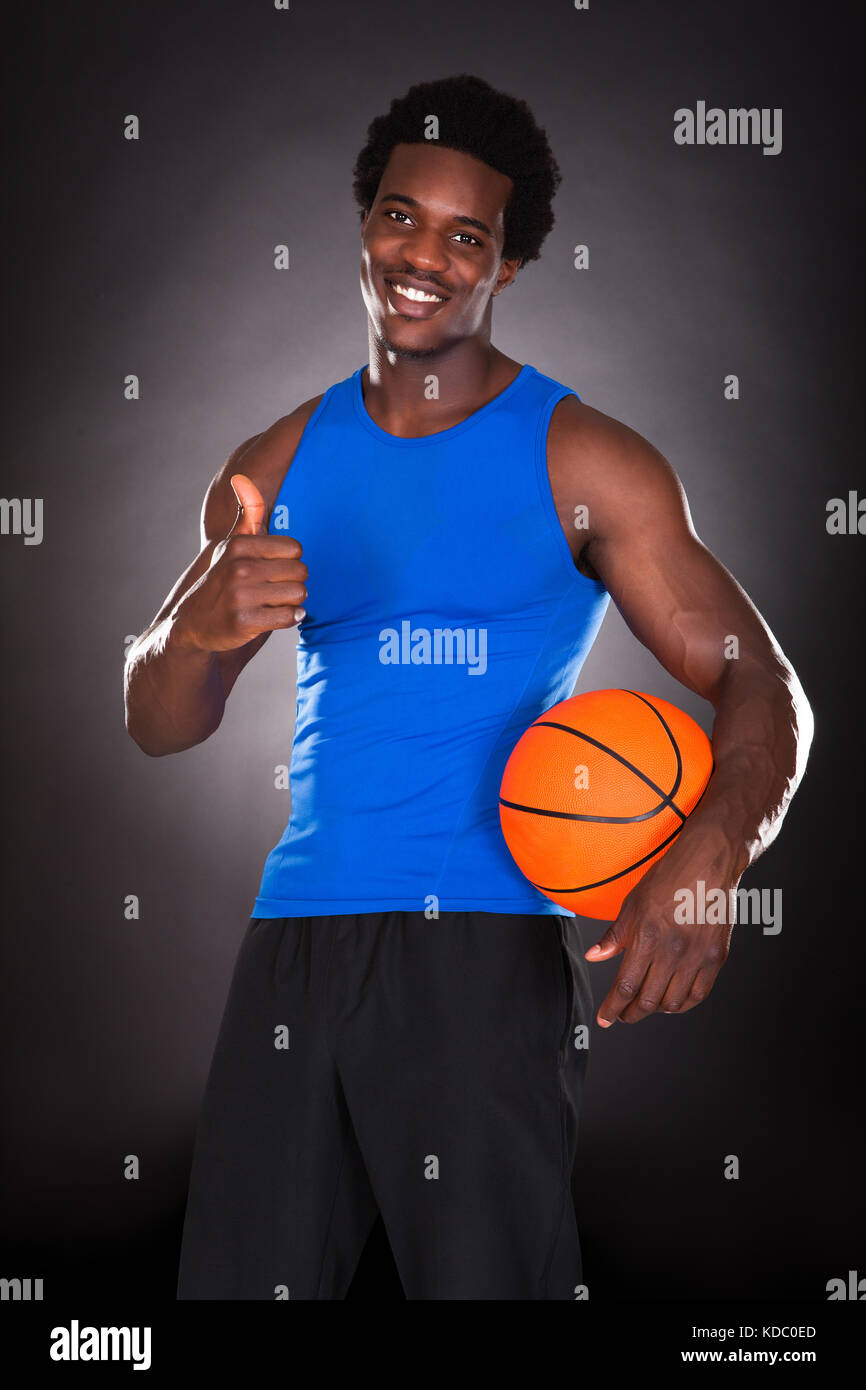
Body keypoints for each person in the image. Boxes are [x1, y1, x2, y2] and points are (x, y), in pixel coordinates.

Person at [123, 74, 813, 1300]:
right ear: (363, 224)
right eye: (401, 216)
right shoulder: (272, 461)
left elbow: (762, 680)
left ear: (506, 262)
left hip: (483, 961)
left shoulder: (583, 458)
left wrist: (709, 861)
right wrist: (187, 635)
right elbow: (161, 721)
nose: (423, 255)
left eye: (465, 235)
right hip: (293, 947)